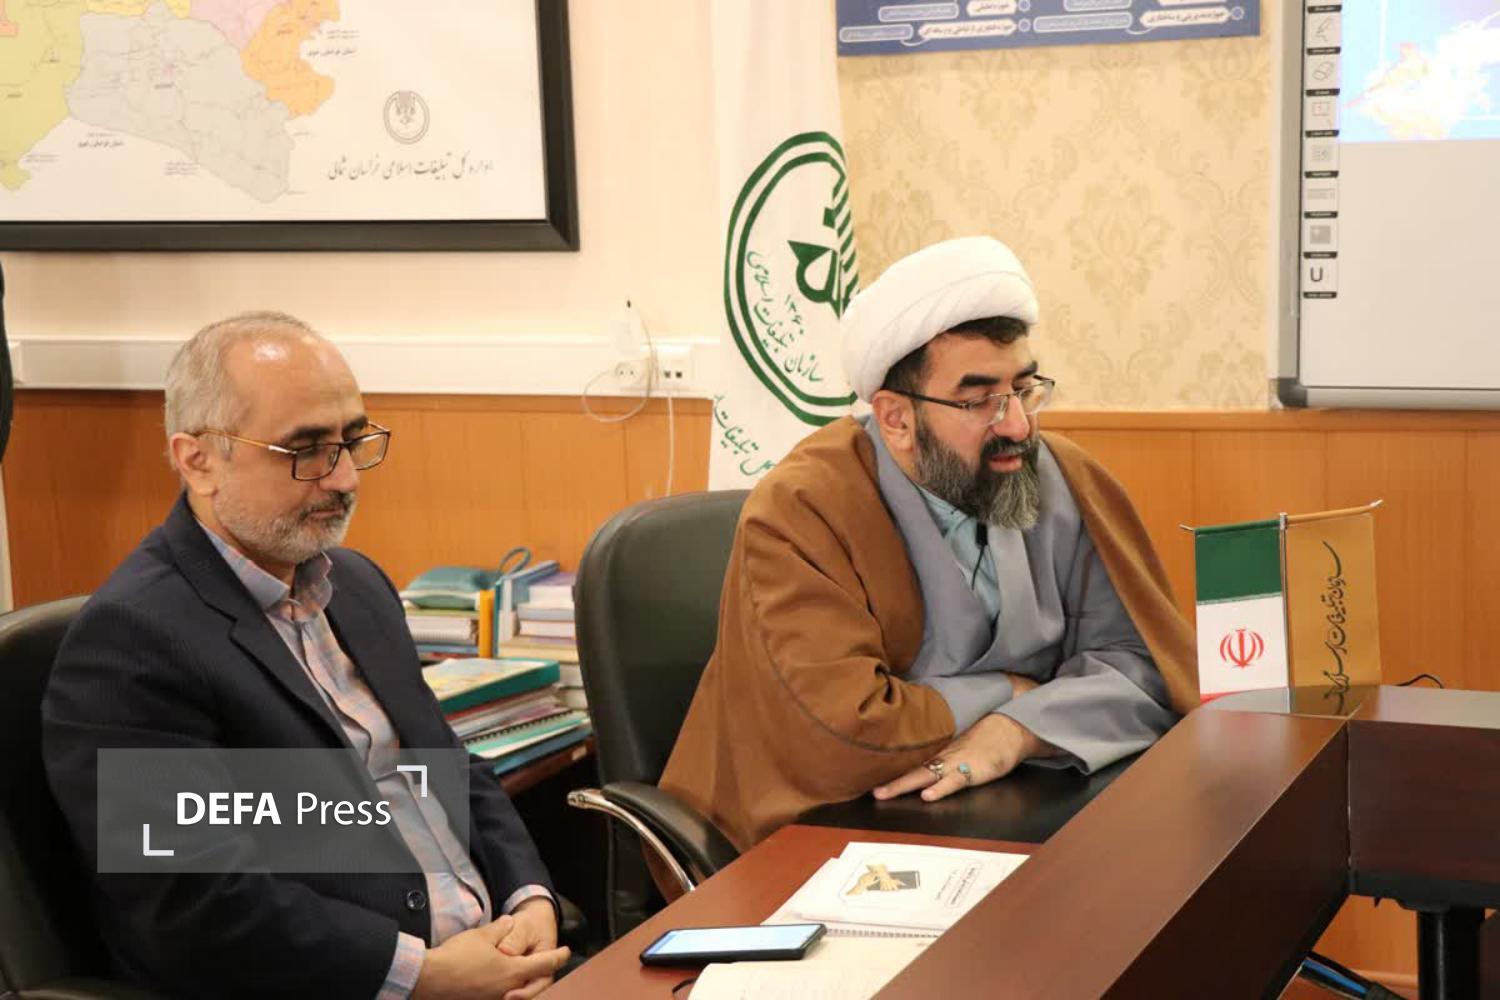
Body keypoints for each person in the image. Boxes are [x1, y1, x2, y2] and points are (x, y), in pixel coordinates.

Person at [43, 313, 569, 999]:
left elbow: (448, 766)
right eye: (306, 449)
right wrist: (422, 976)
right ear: (197, 460)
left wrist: (530, 900)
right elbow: (190, 900)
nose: (345, 477)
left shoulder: (357, 586)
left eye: (352, 441)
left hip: (497, 964)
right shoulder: (131, 643)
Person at [660, 236, 1197, 851]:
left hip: (1021, 810)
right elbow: (842, 730)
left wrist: (1017, 730)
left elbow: (1140, 663)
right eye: (979, 400)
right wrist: (1007, 689)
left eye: (1024, 389)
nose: (1017, 425)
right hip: (833, 835)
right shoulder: (803, 510)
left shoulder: (1059, 477)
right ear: (896, 418)